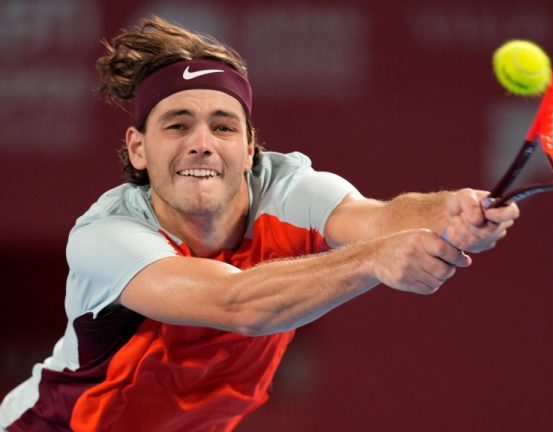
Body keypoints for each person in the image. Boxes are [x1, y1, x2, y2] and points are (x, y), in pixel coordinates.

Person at [0, 16, 519, 431]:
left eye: (222, 126)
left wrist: (451, 210)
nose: (201, 141)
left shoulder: (288, 188)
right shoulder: (106, 237)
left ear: (249, 148)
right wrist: (372, 261)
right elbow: (236, 303)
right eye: (177, 124)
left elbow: (381, 218)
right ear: (139, 148)